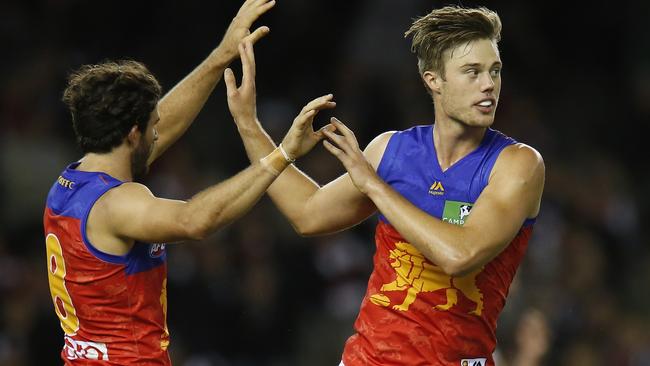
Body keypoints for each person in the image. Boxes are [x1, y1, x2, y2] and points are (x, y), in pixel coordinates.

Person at [225, 5, 545, 366]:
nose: (488, 84)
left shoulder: (517, 164)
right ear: (433, 80)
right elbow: (307, 214)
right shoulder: (391, 150)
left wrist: (374, 187)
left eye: (495, 71)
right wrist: (250, 126)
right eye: (472, 72)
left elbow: (461, 255)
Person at [41, 0, 326, 364]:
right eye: (151, 128)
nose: (159, 134)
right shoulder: (117, 204)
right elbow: (195, 219)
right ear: (132, 135)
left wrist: (220, 56)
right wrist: (282, 154)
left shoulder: (72, 182)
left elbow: (165, 124)